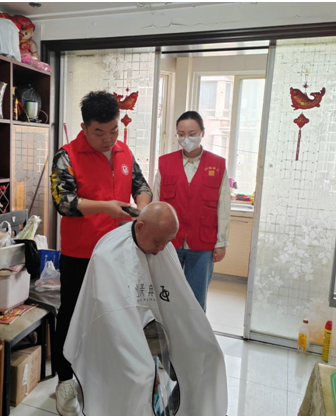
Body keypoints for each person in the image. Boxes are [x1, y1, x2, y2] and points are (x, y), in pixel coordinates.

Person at [64, 202, 228, 416]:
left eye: (168, 242)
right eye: (158, 242)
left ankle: (195, 411)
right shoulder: (108, 254)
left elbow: (178, 300)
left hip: (150, 326)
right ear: (140, 226)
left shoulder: (162, 245)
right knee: (141, 375)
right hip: (116, 333)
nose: (162, 249)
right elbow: (112, 316)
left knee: (209, 352)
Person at [50, 91, 152, 415]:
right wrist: (106, 207)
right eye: (99, 132)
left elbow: (141, 185)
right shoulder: (67, 155)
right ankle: (65, 381)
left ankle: (104, 374)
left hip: (120, 251)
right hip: (81, 253)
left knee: (114, 313)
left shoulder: (124, 151)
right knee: (72, 314)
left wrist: (143, 208)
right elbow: (63, 202)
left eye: (114, 130)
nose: (108, 138)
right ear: (84, 127)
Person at [153, 111, 231, 311]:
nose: (186, 138)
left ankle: (195, 332)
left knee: (196, 300)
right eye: (181, 134)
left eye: (192, 133)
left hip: (202, 243)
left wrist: (221, 242)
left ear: (202, 133)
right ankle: (168, 330)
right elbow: (156, 203)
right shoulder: (165, 163)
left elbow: (223, 207)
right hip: (170, 243)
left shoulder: (217, 164)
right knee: (167, 296)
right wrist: (154, 238)